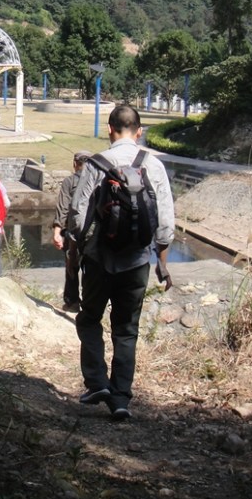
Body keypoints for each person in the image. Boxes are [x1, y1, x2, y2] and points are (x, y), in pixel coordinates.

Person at [68, 105, 175, 421]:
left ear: (110, 129)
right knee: (126, 330)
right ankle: (121, 399)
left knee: (89, 319)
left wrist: (77, 252)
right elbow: (165, 223)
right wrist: (162, 262)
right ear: (139, 131)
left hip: (99, 259)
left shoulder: (96, 164)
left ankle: (97, 381)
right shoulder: (153, 165)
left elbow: (76, 217)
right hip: (137, 261)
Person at [52, 150, 92, 313]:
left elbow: (62, 207)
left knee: (71, 267)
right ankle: (90, 302)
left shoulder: (70, 181)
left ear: (75, 164)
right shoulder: (97, 182)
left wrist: (56, 231)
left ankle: (72, 302)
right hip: (92, 233)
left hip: (73, 232)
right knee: (90, 268)